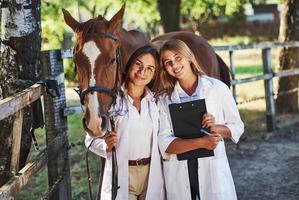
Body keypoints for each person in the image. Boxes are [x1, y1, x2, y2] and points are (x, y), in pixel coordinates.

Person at [154, 39, 244, 200]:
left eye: (178, 58)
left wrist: (217, 127)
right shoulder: (164, 99)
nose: (174, 65)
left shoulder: (217, 88)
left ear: (189, 57)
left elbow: (237, 127)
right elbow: (165, 144)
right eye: (168, 62)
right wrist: (202, 143)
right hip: (179, 171)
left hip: (212, 169)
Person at [85, 45, 165, 200]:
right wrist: (106, 146)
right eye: (138, 64)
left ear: (155, 74)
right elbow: (89, 140)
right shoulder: (111, 100)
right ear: (129, 65)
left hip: (152, 175)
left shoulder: (156, 102)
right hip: (123, 174)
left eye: (150, 68)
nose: (143, 72)